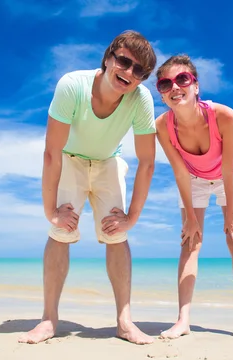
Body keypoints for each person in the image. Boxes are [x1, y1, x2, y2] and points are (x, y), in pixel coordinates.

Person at [18, 30, 157, 345]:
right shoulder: (73, 85)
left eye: (140, 71)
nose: (129, 73)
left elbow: (147, 162)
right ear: (109, 57)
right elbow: (52, 152)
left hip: (109, 162)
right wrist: (50, 212)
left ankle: (124, 321)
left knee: (116, 233)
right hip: (70, 159)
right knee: (61, 231)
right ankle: (49, 319)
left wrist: (132, 217)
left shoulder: (141, 99)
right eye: (124, 61)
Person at [154, 55, 233, 344]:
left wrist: (231, 214)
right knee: (190, 242)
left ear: (196, 86)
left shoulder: (224, 116)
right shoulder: (162, 125)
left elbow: (226, 168)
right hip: (193, 179)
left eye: (182, 79)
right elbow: (180, 173)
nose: (175, 87)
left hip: (229, 175)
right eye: (165, 83)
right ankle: (183, 320)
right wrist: (192, 220)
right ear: (161, 93)